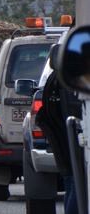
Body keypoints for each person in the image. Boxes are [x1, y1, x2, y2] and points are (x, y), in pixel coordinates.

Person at [37, 67, 82, 214]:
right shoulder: (72, 77)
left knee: (73, 182)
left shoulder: (58, 76)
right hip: (73, 143)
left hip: (64, 141)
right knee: (77, 183)